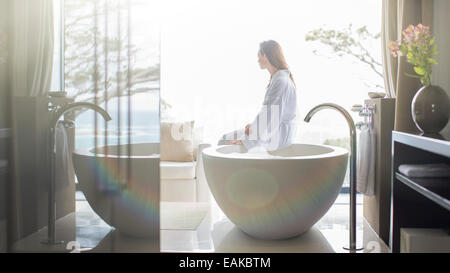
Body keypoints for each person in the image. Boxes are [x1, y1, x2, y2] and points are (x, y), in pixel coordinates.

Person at [225, 40, 297, 150]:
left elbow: (269, 114)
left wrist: (246, 140)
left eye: (259, 56)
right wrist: (253, 127)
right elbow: (270, 114)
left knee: (224, 141)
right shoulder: (281, 79)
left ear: (266, 55)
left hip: (276, 138)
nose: (258, 60)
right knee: (226, 139)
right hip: (276, 134)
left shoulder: (280, 81)